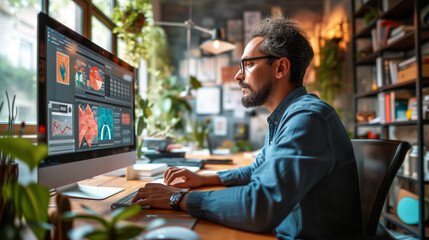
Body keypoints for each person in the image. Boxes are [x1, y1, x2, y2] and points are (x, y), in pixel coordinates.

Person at [132, 16, 362, 239]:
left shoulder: (307, 118)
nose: (237, 75)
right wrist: (204, 178)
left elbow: (260, 206)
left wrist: (178, 199)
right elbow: (256, 170)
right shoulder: (285, 117)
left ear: (281, 68)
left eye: (249, 64)